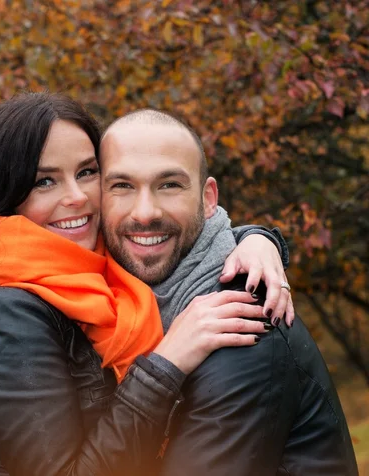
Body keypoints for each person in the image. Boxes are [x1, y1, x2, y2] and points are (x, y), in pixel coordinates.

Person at [0, 93, 290, 476]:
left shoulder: (84, 272)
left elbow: (164, 231)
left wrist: (255, 240)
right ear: (6, 196)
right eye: (45, 181)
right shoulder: (1, 315)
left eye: (87, 172)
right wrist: (166, 365)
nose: (76, 198)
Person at [99, 109, 359, 476]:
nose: (145, 213)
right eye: (122, 186)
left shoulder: (242, 326)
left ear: (208, 199)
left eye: (169, 184)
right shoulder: (107, 302)